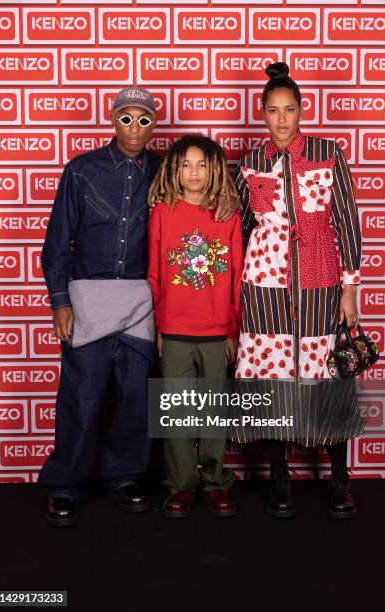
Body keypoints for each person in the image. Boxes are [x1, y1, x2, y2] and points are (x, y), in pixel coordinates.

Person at [233, 63, 362, 519]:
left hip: (320, 284)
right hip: (264, 286)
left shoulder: (329, 153)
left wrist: (350, 287)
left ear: (302, 110)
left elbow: (345, 220)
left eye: (290, 109)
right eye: (273, 110)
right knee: (270, 382)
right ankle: (280, 480)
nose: (282, 119)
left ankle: (341, 482)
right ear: (262, 113)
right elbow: (243, 229)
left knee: (327, 379)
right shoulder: (250, 164)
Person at [39, 87, 162, 527]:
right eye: (126, 118)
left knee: (134, 398)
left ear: (153, 125)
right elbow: (56, 243)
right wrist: (59, 302)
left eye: (143, 120)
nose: (134, 128)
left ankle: (125, 476)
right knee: (81, 395)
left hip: (139, 305)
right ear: (112, 120)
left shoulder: (165, 173)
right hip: (88, 300)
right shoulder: (82, 171)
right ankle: (65, 483)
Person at [147, 135, 243, 518]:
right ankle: (181, 485)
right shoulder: (163, 212)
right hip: (174, 330)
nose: (194, 173)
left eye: (202, 164)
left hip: (216, 330)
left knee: (213, 413)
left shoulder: (227, 213)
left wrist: (232, 331)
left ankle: (216, 482)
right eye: (186, 164)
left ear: (215, 168)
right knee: (177, 413)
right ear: (174, 169)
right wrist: (155, 325)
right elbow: (153, 274)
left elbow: (236, 276)